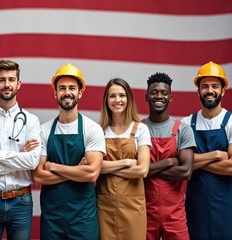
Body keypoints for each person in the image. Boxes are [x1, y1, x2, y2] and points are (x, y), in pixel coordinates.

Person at [32, 63, 105, 240]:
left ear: (80, 93)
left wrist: (53, 166)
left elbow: (92, 173)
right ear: (55, 93)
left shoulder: (92, 129)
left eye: (72, 88)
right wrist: (76, 170)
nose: (67, 92)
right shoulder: (43, 130)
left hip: (83, 219)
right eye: (62, 88)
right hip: (52, 219)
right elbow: (38, 176)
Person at [0, 60, 41, 240]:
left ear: (18, 84)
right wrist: (20, 159)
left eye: (11, 79)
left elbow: (33, 161)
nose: (7, 84)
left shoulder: (32, 121)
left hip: (21, 201)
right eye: (2, 80)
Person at [181, 61, 232, 239]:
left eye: (215, 86)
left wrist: (195, 161)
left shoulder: (231, 122)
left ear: (223, 90)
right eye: (205, 86)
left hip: (227, 205)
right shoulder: (187, 123)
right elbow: (182, 165)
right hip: (196, 205)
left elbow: (231, 168)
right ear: (198, 91)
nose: (210, 90)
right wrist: (217, 155)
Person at [143, 72, 195, 240]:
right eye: (154, 92)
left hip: (175, 214)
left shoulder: (183, 130)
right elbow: (136, 170)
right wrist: (169, 162)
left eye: (164, 93)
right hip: (144, 212)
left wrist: (148, 169)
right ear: (146, 97)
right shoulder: (138, 129)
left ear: (170, 98)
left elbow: (186, 172)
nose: (159, 96)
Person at [97, 78, 151, 240]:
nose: (117, 100)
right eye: (112, 96)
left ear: (129, 99)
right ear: (106, 100)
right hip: (105, 206)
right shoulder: (99, 131)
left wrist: (106, 167)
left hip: (133, 207)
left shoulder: (141, 129)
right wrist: (126, 163)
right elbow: (94, 168)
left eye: (122, 95)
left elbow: (142, 170)